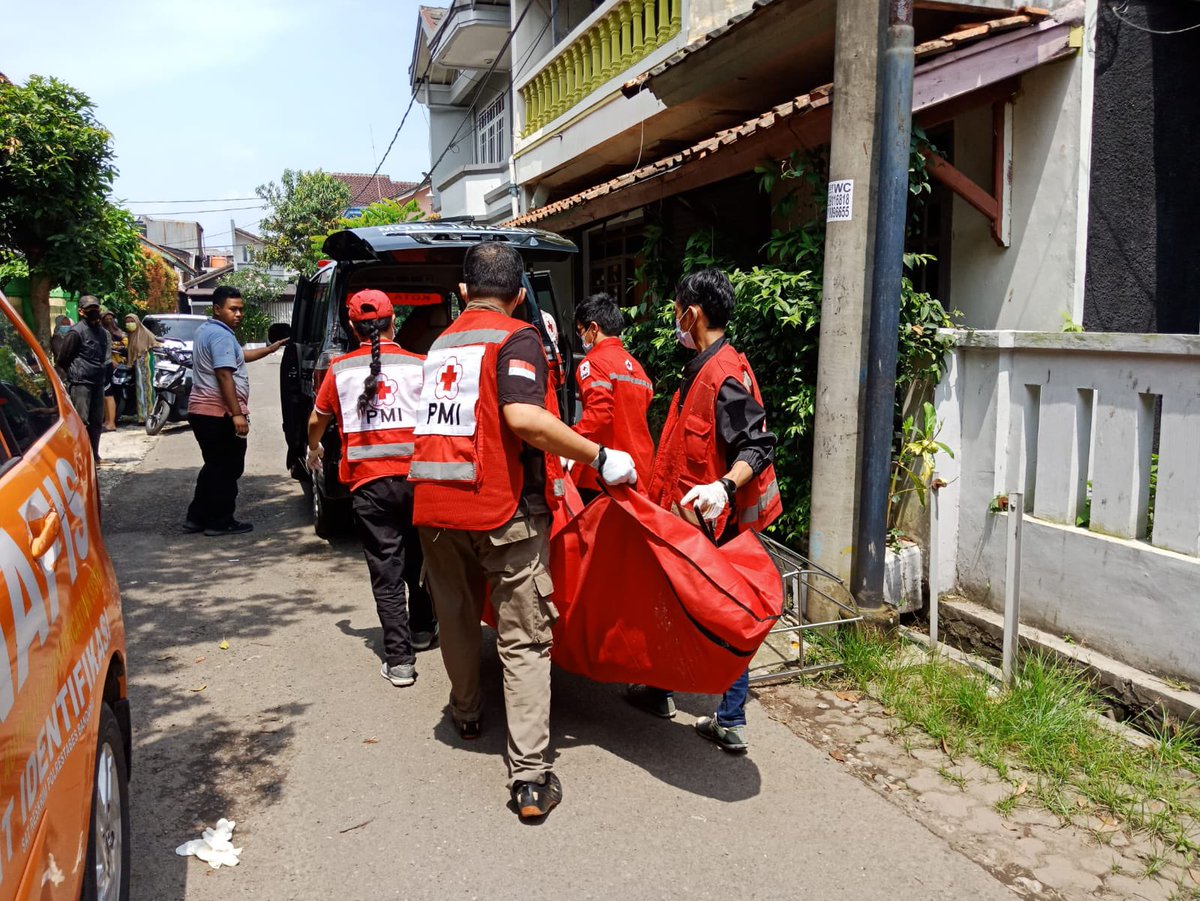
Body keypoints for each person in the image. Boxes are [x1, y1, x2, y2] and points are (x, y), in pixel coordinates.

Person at [410, 243, 638, 821]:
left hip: (436, 506)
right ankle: (531, 778)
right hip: (500, 509)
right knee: (525, 636)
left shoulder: (440, 345)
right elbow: (522, 418)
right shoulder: (517, 337)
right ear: (517, 295)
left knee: (456, 619)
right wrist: (599, 455)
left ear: (462, 293)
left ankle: (465, 714)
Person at [628, 268, 782, 753]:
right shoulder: (703, 368)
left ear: (690, 314)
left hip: (711, 523)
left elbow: (756, 444)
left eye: (676, 311)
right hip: (687, 520)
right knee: (674, 604)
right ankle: (661, 690)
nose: (674, 319)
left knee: (716, 613)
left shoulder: (723, 375)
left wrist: (723, 486)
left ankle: (730, 716)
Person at [305, 290, 438, 688]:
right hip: (418, 481)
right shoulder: (420, 365)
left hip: (370, 486)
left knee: (386, 571)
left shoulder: (341, 369)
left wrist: (313, 449)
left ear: (352, 326)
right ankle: (421, 629)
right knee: (419, 558)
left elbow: (317, 420)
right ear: (394, 320)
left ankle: (400, 660)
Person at [184, 286, 287, 536]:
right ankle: (220, 521)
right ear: (217, 309)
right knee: (228, 468)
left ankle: (196, 517)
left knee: (214, 466)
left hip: (202, 411)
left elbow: (239, 356)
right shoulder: (220, 336)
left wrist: (271, 349)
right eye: (233, 309)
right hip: (219, 413)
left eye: (241, 309)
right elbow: (223, 374)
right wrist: (237, 413)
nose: (238, 314)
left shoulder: (208, 330)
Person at [571, 292, 655, 502]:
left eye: (581, 331)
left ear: (594, 328)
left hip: (604, 475)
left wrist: (567, 441)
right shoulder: (638, 369)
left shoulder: (592, 363)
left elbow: (599, 415)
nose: (581, 337)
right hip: (640, 471)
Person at [54, 296, 110, 460]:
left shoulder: (101, 332)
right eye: (90, 309)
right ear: (81, 311)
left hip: (97, 382)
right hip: (81, 383)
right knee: (81, 421)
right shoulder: (76, 332)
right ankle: (80, 456)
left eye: (96, 308)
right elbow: (63, 359)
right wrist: (71, 376)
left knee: (97, 422)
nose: (94, 312)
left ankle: (94, 455)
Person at [124, 313, 160, 423]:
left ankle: (151, 414)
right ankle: (142, 416)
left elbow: (154, 344)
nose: (129, 324)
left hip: (146, 362)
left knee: (148, 389)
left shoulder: (145, 333)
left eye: (132, 321)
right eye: (127, 322)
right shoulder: (132, 335)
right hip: (138, 365)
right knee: (140, 389)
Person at [100, 309, 128, 431]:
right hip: (108, 365)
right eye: (106, 319)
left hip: (116, 365)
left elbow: (125, 346)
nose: (109, 321)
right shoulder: (103, 332)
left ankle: (111, 422)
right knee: (106, 394)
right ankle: (107, 420)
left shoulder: (118, 333)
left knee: (108, 394)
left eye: (111, 319)